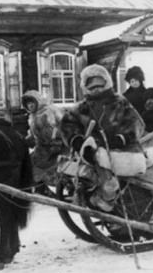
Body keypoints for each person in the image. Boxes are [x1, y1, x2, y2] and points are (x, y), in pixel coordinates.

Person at [59, 64, 145, 211]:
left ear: (106, 83)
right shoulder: (82, 108)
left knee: (102, 157)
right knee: (92, 157)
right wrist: (76, 140)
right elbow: (66, 125)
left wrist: (121, 138)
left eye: (99, 85)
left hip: (123, 148)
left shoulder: (119, 102)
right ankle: (94, 190)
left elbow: (136, 124)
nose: (96, 89)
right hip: (93, 149)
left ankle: (108, 192)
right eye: (91, 86)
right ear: (85, 87)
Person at [21, 90, 66, 186]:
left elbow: (63, 125)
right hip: (42, 148)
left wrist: (56, 136)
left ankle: (52, 184)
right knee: (29, 164)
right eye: (27, 104)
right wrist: (24, 140)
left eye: (32, 102)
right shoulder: (32, 117)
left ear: (38, 101)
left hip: (56, 146)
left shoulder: (50, 111)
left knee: (37, 167)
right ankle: (40, 187)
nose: (30, 106)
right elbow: (33, 135)